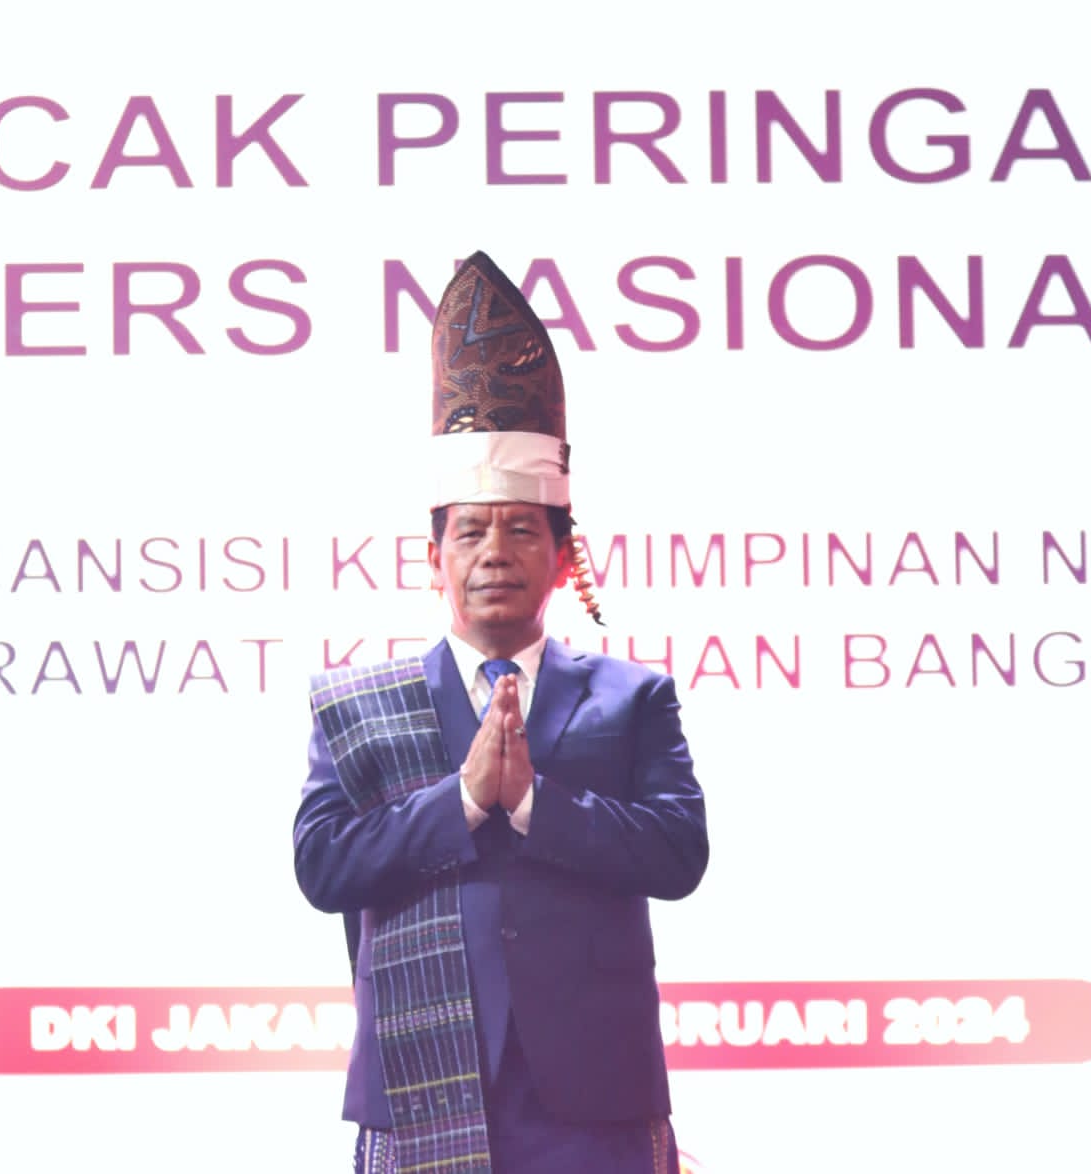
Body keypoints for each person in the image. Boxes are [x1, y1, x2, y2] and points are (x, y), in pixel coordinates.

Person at [293, 251, 709, 1174]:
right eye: (470, 531)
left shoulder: (632, 696)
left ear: (562, 558)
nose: (494, 552)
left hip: (595, 1102)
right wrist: (464, 800)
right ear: (432, 558)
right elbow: (323, 867)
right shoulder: (354, 706)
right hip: (424, 1084)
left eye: (522, 529)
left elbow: (679, 855)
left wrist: (532, 805)